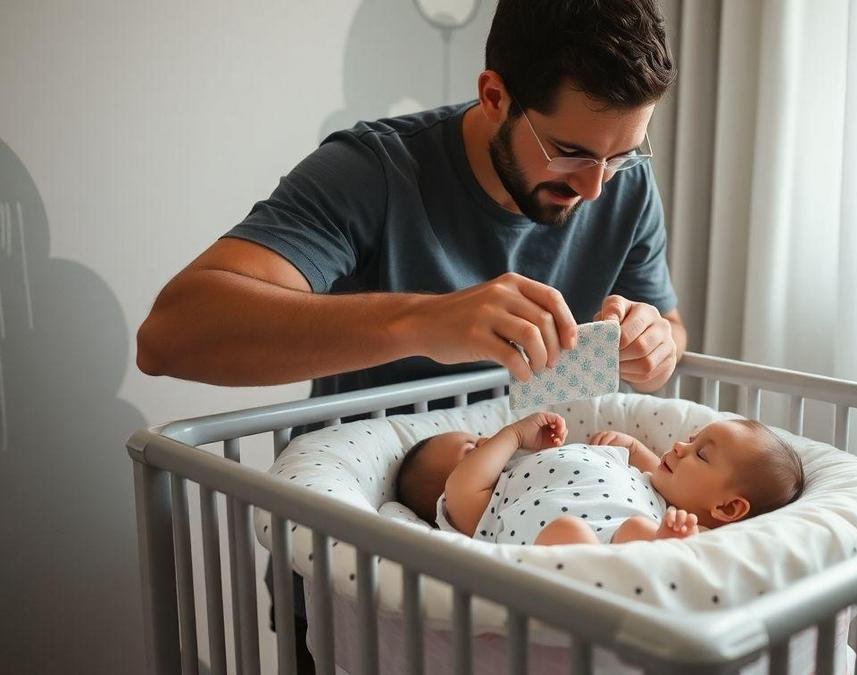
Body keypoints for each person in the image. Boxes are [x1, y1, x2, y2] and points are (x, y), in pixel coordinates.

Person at [135, 0, 685, 669]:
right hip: (365, 584)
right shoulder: (372, 172)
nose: (597, 188)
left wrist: (657, 345)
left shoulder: (621, 184)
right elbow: (171, 334)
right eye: (569, 151)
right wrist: (424, 319)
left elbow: (667, 333)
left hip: (562, 591)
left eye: (624, 154)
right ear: (494, 95)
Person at [396, 412, 806, 546]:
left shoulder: (670, 505)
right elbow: (460, 486)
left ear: (727, 507)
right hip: (563, 546)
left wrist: (629, 447)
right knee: (568, 531)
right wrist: (513, 434)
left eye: (698, 449)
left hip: (631, 537)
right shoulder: (479, 503)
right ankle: (643, 560)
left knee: (638, 529)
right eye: (471, 449)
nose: (679, 446)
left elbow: (652, 473)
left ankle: (658, 553)